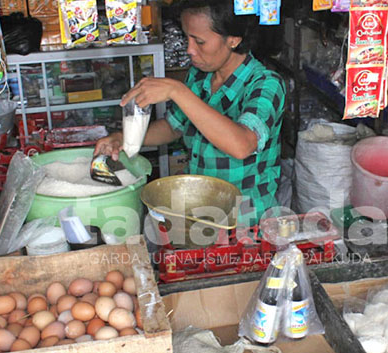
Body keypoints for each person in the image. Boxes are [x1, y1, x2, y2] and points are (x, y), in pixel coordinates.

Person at [95, 0, 286, 226]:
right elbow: (173, 126)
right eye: (187, 38)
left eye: (200, 41)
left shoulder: (265, 84)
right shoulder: (200, 74)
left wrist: (178, 91)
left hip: (245, 220)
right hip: (198, 210)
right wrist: (125, 138)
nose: (189, 49)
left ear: (234, 40)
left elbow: (242, 144)